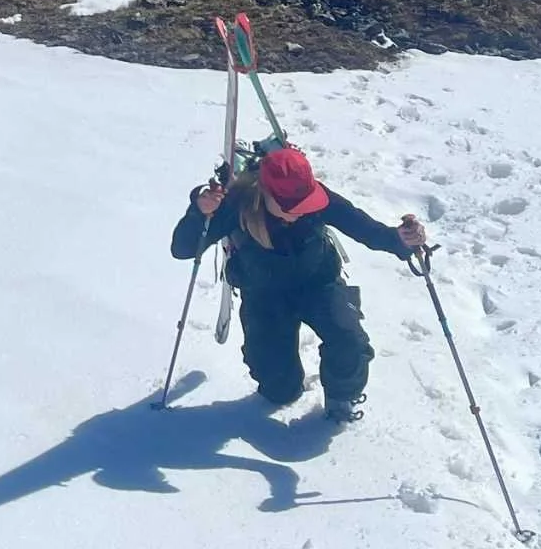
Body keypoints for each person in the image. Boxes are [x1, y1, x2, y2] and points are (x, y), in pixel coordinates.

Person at [170, 144, 428, 423]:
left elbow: (364, 228)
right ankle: (280, 382)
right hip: (264, 296)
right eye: (291, 208)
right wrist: (199, 212)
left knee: (349, 340)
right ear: (266, 194)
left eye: (306, 205)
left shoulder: (314, 195)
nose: (301, 212)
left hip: (318, 283)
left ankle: (342, 397)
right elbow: (184, 249)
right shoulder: (236, 205)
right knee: (279, 391)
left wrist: (401, 240)